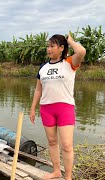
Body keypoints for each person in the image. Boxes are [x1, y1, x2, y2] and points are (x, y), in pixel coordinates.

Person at [30, 34, 86, 180]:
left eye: (52, 46)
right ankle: (56, 171)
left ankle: (68, 177)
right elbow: (38, 89)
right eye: (48, 46)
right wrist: (32, 108)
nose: (49, 49)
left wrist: (71, 41)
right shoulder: (43, 67)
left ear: (61, 48)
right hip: (46, 108)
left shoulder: (69, 63)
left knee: (67, 145)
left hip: (65, 108)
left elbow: (81, 52)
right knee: (52, 142)